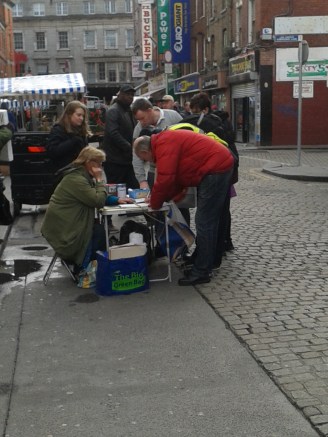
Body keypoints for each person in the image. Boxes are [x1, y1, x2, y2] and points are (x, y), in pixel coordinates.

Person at [133, 129, 234, 286]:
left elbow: (165, 179)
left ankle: (202, 271)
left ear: (145, 151)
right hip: (216, 166)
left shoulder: (163, 144)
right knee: (207, 221)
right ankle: (202, 261)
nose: (147, 162)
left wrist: (154, 203)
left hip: (216, 168)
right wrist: (170, 196)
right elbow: (176, 177)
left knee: (205, 221)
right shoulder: (163, 142)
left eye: (144, 159)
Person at [41, 146, 132, 274]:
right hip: (65, 230)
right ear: (89, 162)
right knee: (99, 231)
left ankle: (95, 266)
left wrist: (116, 200)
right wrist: (100, 180)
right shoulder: (76, 179)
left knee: (98, 228)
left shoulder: (80, 175)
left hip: (67, 225)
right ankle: (86, 267)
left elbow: (92, 195)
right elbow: (97, 200)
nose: (101, 167)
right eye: (99, 163)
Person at [183, 92, 239, 267]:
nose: (193, 115)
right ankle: (219, 247)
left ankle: (217, 250)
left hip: (222, 173)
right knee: (218, 213)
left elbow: (227, 148)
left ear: (205, 110)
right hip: (221, 171)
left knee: (218, 214)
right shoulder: (212, 122)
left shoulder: (215, 124)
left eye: (196, 111)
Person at [131, 98, 182, 189]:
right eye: (138, 120)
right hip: (154, 171)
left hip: (176, 170)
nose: (141, 123)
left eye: (142, 118)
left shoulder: (173, 116)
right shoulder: (139, 128)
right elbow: (136, 155)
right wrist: (142, 181)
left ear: (150, 111)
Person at [101, 84, 139, 189]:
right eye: (127, 94)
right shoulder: (113, 110)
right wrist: (129, 146)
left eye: (132, 94)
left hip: (127, 160)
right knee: (117, 191)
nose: (130, 97)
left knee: (133, 189)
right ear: (120, 95)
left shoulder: (128, 110)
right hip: (115, 161)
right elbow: (113, 133)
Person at [46, 100, 90, 173]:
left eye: (83, 116)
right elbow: (53, 151)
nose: (81, 118)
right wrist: (73, 141)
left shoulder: (81, 131)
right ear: (69, 114)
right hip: (64, 172)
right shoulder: (58, 129)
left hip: (79, 171)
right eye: (78, 115)